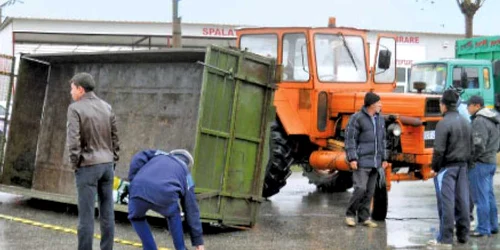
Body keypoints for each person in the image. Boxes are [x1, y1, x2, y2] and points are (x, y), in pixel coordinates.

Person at [67, 72, 120, 250]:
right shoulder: (107, 107)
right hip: (107, 165)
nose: (71, 92)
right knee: (107, 214)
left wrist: (76, 163)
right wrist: (113, 160)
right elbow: (115, 138)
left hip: (87, 166)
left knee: (86, 217)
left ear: (80, 89)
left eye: (72, 88)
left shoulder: (75, 109)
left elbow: (73, 141)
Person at [128, 149, 204, 250]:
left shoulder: (159, 154)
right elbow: (191, 209)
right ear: (188, 165)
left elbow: (138, 157)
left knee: (136, 217)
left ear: (171, 154)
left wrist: (134, 180)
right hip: (165, 195)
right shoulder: (186, 173)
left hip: (137, 190)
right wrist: (198, 241)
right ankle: (180, 248)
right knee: (173, 215)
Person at [428, 89, 472, 247]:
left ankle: (445, 239)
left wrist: (434, 167)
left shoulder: (443, 123)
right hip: (463, 166)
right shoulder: (466, 121)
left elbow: (439, 150)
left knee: (446, 203)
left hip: (447, 168)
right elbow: (471, 146)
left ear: (444, 105)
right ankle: (463, 235)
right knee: (463, 201)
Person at [344, 92, 388, 228]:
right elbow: (350, 140)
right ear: (371, 105)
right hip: (362, 161)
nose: (381, 105)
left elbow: (383, 141)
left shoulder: (380, 119)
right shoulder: (357, 118)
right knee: (360, 189)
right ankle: (350, 215)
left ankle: (364, 217)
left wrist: (384, 158)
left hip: (375, 162)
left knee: (369, 192)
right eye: (379, 103)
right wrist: (352, 158)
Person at [467, 95, 500, 237]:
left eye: (469, 106)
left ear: (476, 105)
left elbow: (478, 145)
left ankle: (483, 228)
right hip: (491, 161)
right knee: (489, 196)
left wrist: (471, 160)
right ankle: (493, 225)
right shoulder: (494, 119)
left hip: (480, 164)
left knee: (481, 198)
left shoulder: (479, 121)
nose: (467, 109)